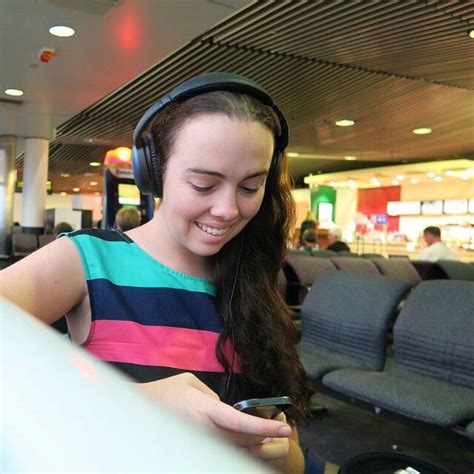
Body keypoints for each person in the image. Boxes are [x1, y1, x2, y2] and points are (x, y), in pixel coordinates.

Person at [0, 73, 327, 473]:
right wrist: (140, 402)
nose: (228, 209)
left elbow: (289, 449)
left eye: (249, 187)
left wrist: (284, 457)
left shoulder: (251, 282)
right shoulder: (88, 260)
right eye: (204, 185)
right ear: (153, 175)